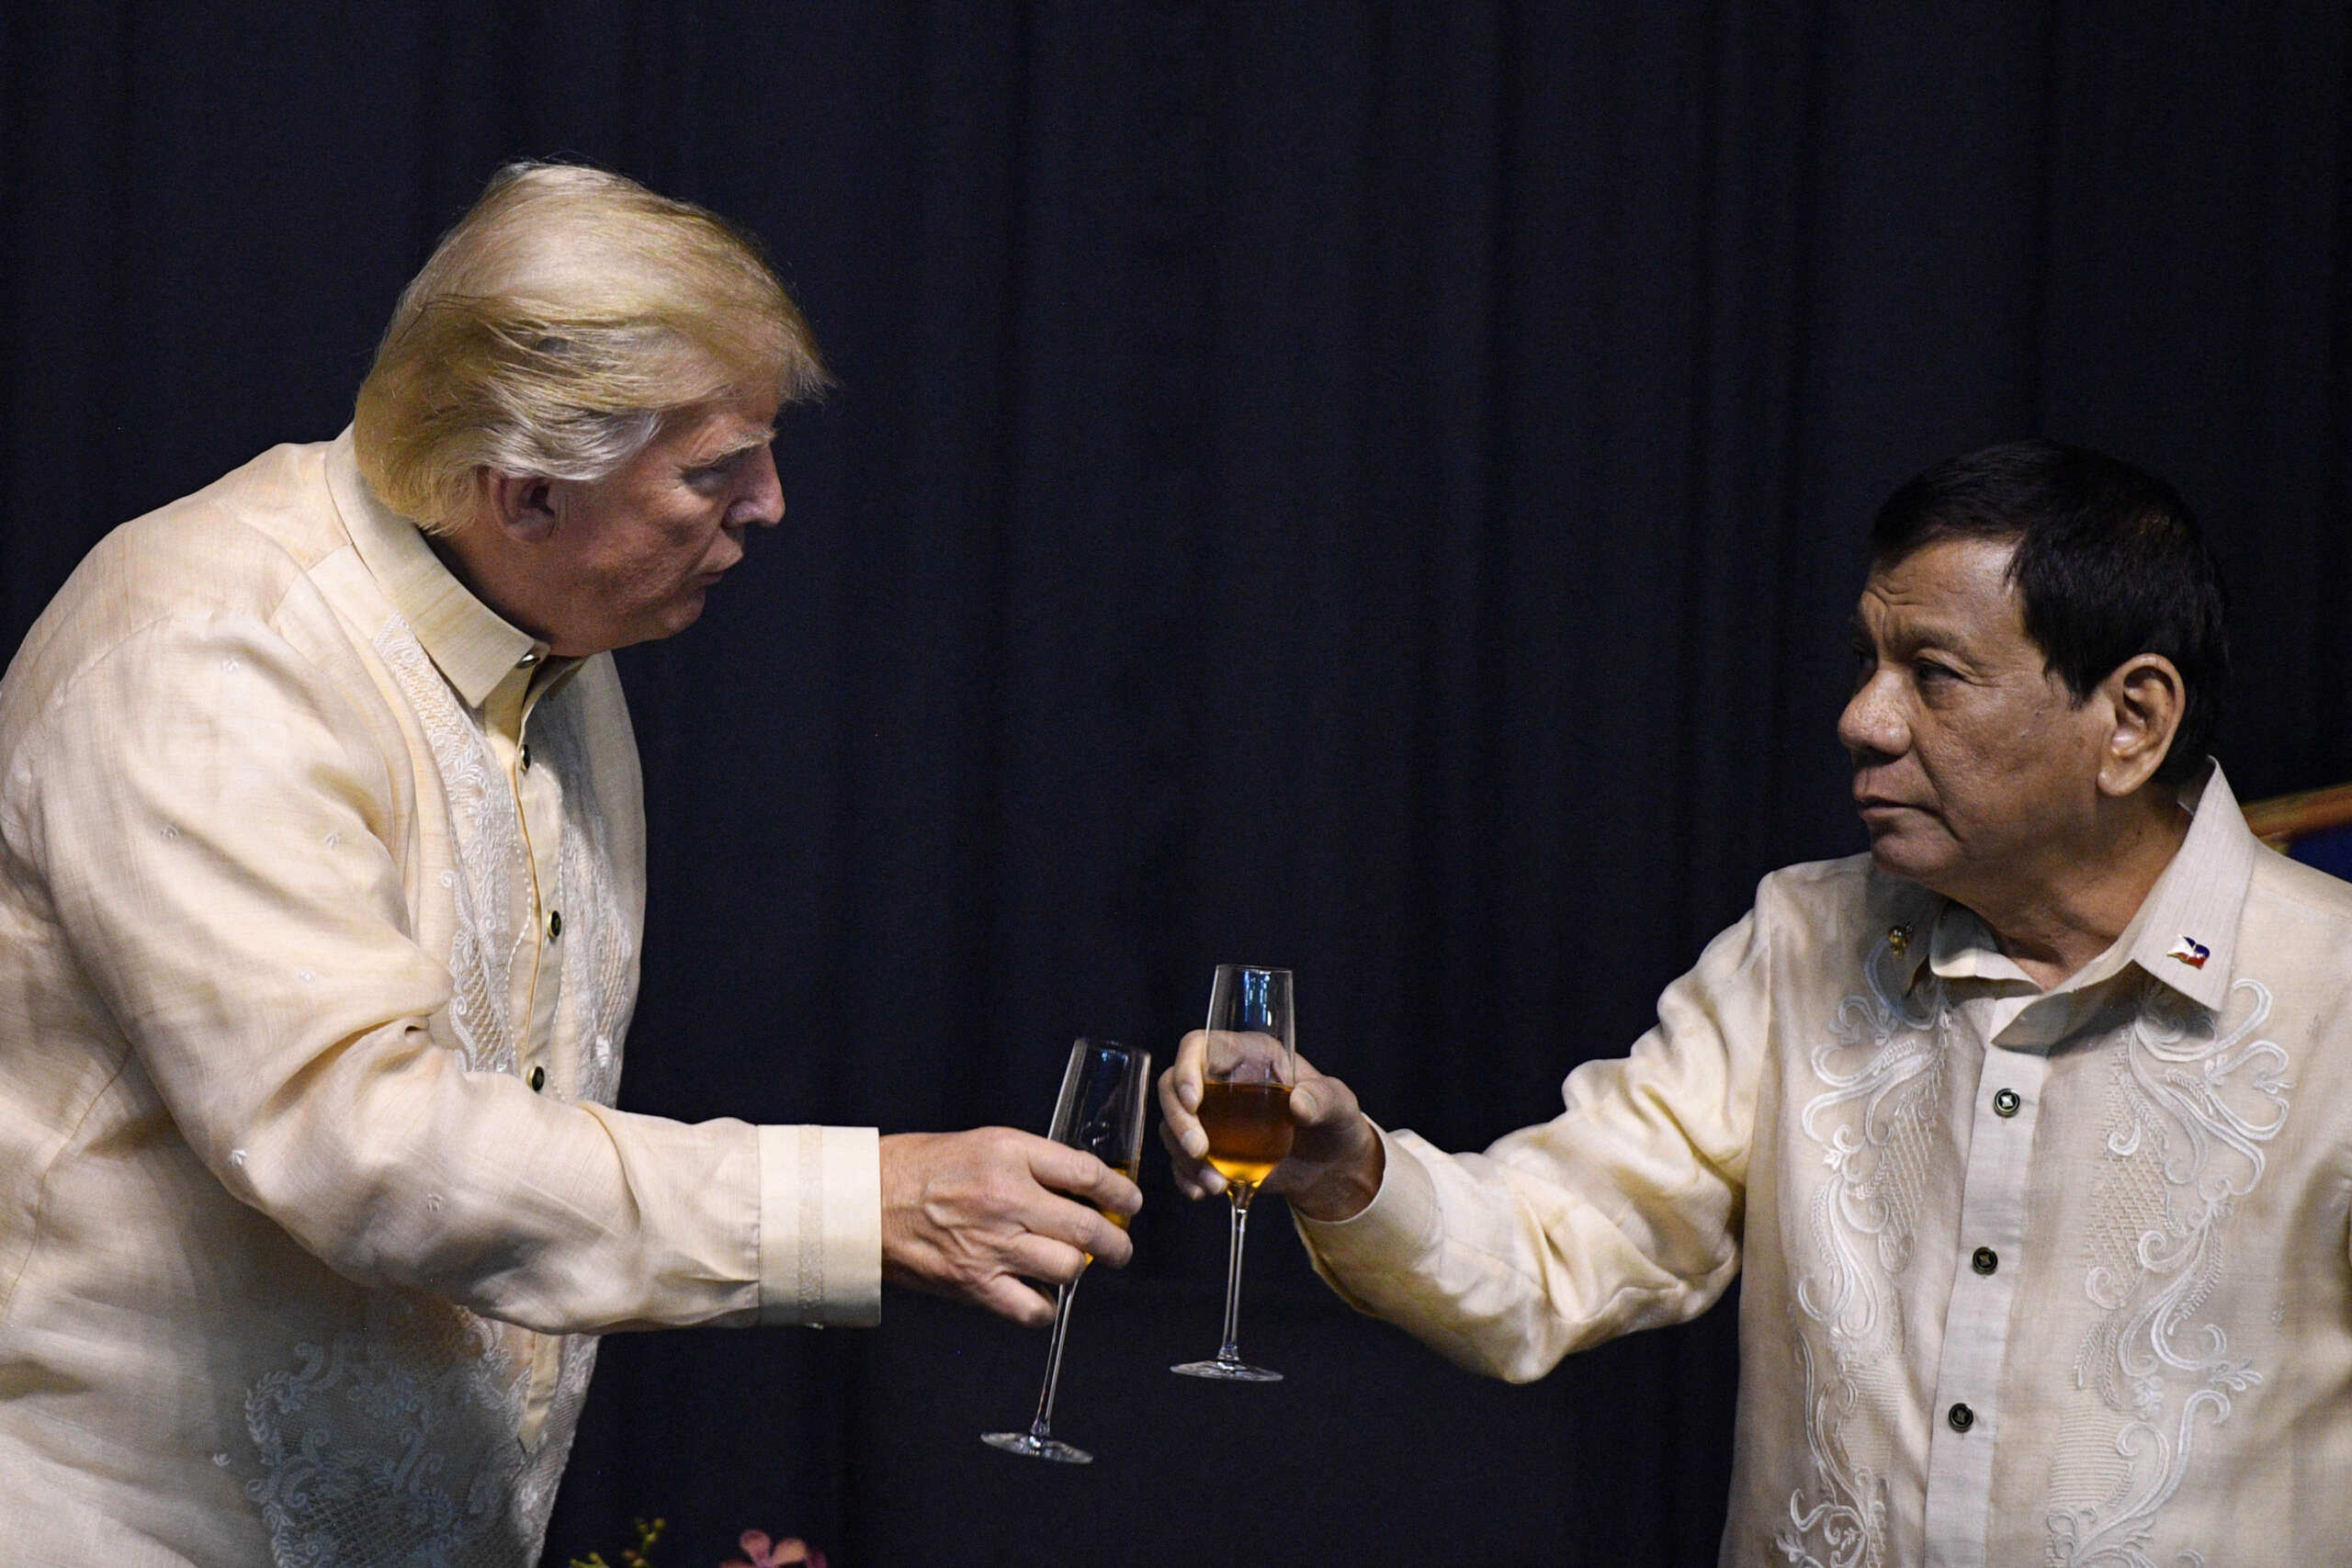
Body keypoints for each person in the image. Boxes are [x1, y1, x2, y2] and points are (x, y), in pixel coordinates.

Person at [0, 163, 1137, 1568]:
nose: (771, 504)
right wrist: (865, 1206)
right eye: (716, 468)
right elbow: (367, 1146)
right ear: (526, 488)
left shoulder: (549, 637)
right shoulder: (210, 654)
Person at [1163, 441, 2352, 1565]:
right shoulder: (1801, 942)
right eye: (1866, 663)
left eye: (1933, 675)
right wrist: (1343, 1167)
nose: (1863, 719)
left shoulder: (2333, 996)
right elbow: (1559, 1240)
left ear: (2132, 721)